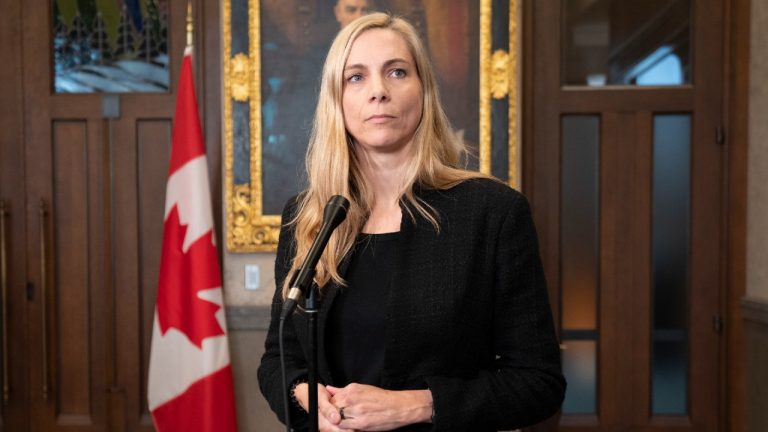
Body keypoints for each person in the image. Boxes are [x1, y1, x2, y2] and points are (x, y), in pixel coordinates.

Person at [257, 13, 565, 432]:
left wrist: (417, 406)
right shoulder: (306, 216)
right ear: (337, 100)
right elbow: (278, 360)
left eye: (397, 72)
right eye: (356, 78)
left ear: (424, 91)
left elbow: (539, 382)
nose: (378, 92)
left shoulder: (492, 212)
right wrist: (310, 402)